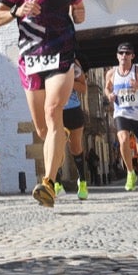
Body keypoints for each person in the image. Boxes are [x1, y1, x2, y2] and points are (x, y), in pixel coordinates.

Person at [0, 0, 87, 208]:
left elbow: (80, 13)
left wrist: (80, 14)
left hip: (62, 54)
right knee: (43, 129)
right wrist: (17, 11)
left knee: (52, 111)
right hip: (31, 59)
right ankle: (58, 142)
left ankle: (48, 183)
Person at [106, 42, 138, 197]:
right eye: (121, 53)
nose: (124, 56)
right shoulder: (111, 73)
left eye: (127, 53)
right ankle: (130, 172)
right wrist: (110, 95)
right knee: (123, 139)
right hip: (121, 113)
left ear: (132, 56)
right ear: (117, 56)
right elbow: (107, 88)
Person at [56, 60, 91, 199]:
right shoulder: (43, 57)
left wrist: (68, 81)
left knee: (75, 148)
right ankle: (57, 183)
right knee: (56, 146)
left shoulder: (72, 62)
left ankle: (82, 181)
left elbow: (83, 88)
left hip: (72, 109)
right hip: (55, 110)